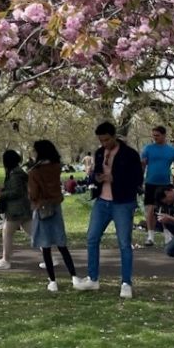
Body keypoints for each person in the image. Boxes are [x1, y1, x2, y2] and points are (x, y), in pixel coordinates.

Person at [74, 122, 144, 299]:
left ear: (114, 136)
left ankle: (126, 283)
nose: (104, 143)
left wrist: (114, 178)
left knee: (124, 243)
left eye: (106, 140)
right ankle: (93, 278)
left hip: (123, 202)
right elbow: (97, 172)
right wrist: (96, 177)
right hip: (102, 201)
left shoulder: (129, 154)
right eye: (100, 140)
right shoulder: (99, 153)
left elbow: (136, 178)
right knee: (92, 238)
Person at [27, 140, 80, 291]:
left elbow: (33, 193)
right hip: (56, 206)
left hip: (42, 207)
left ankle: (53, 281)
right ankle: (74, 277)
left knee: (46, 246)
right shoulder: (56, 167)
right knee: (61, 244)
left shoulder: (35, 172)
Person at [0, 150, 32, 270]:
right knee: (34, 234)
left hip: (16, 210)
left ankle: (6, 260)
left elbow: (16, 192)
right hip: (24, 208)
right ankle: (49, 256)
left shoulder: (14, 175)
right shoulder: (18, 173)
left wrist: (1, 194)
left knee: (7, 233)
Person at [140, 126, 174, 247]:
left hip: (165, 184)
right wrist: (140, 181)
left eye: (157, 135)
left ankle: (168, 236)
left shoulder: (173, 151)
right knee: (150, 209)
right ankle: (150, 237)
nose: (155, 137)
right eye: (153, 135)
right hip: (150, 183)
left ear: (164, 135)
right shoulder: (148, 148)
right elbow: (142, 166)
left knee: (165, 210)